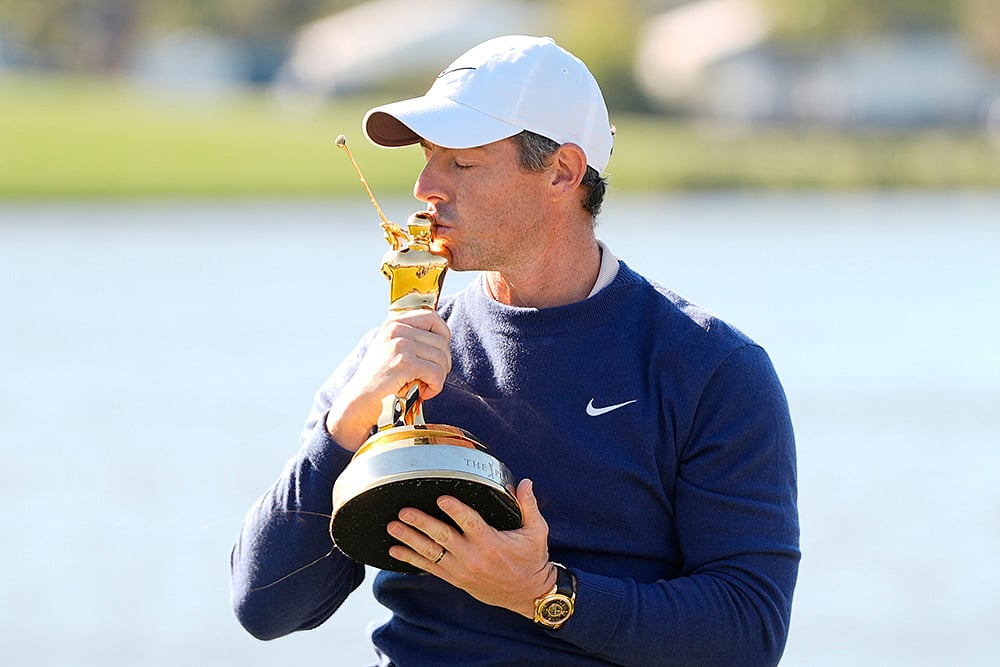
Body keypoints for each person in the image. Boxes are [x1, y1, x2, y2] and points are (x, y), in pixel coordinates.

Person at [230, 35, 799, 666]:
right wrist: (344, 428)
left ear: (563, 171)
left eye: (461, 164)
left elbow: (748, 634)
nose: (425, 187)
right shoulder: (394, 359)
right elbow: (265, 607)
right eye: (426, 158)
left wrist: (542, 593)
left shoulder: (710, 368)